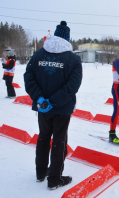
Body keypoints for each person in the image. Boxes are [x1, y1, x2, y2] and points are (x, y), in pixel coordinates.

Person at [24, 21, 82, 190]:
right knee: (59, 141)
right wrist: (53, 101)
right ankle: (54, 179)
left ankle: (41, 172)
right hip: (62, 108)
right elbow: (73, 86)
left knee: (43, 137)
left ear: (54, 36)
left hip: (43, 107)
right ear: (67, 38)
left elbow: (29, 78)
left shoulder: (38, 55)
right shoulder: (73, 59)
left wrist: (40, 99)